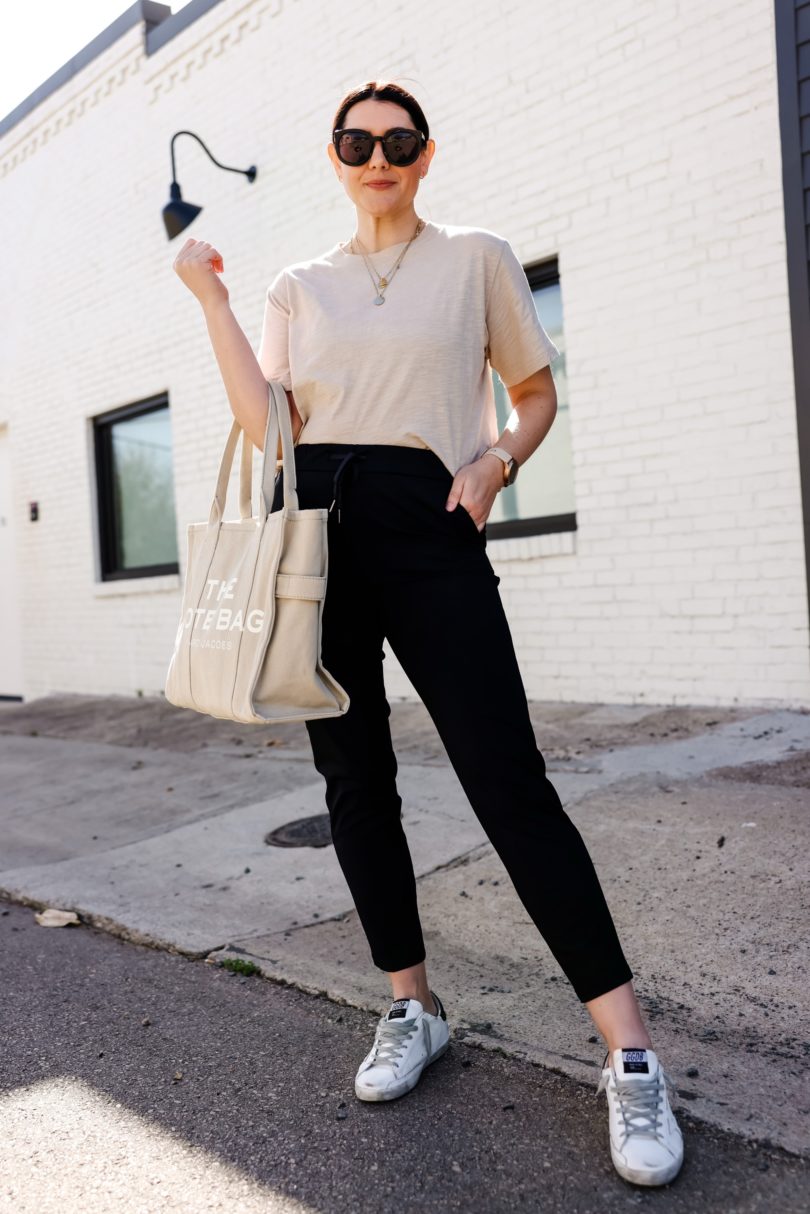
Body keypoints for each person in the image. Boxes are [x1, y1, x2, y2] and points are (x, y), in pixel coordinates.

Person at [172, 79, 684, 1190]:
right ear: (334, 155)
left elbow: (535, 392)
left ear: (425, 152)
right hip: (319, 531)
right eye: (357, 140)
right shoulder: (297, 284)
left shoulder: (476, 258)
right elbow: (269, 426)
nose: (377, 155)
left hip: (430, 518)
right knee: (354, 780)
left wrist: (497, 460)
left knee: (509, 780)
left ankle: (630, 1051)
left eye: (397, 139)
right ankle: (412, 1006)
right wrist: (210, 302)